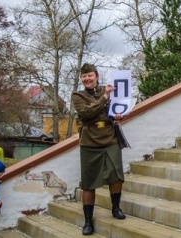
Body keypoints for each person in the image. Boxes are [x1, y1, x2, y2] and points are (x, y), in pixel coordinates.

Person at [72, 63, 126, 236]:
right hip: (89, 141)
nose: (87, 79)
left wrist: (120, 113)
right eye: (84, 76)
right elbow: (87, 113)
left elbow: (120, 105)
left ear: (97, 76)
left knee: (116, 174)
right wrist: (104, 98)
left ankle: (116, 207)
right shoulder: (77, 96)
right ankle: (88, 221)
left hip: (110, 137)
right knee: (89, 182)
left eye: (90, 75)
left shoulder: (108, 89)